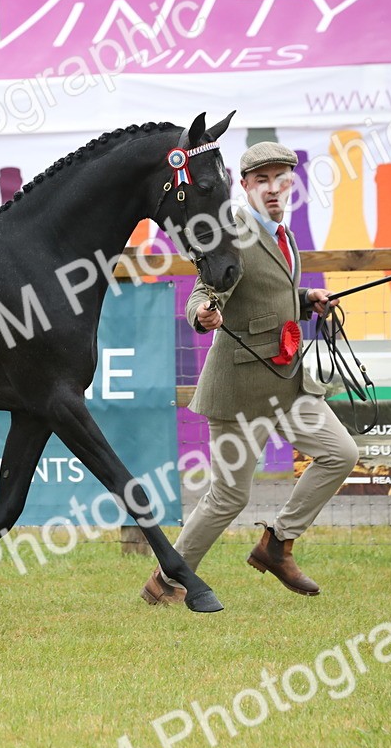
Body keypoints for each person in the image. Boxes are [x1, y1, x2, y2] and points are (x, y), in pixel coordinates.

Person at [141, 141, 359, 604]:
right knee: (227, 498)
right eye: (262, 180)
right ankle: (166, 583)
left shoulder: (285, 233)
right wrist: (202, 313)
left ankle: (277, 544)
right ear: (244, 186)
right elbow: (203, 293)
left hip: (286, 382)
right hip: (240, 388)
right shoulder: (234, 232)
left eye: (281, 178)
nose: (274, 188)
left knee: (340, 452)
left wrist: (305, 299)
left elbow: (266, 294)